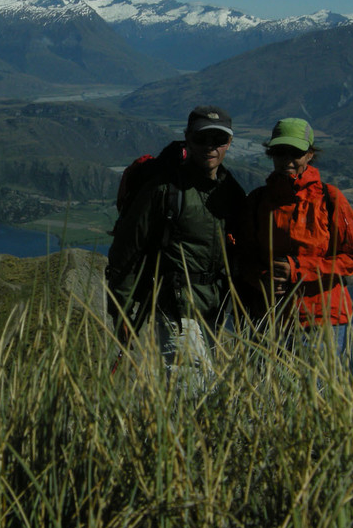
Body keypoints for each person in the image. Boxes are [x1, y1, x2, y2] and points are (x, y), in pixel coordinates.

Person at [106, 105, 247, 385]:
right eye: (201, 138)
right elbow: (127, 252)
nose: (210, 147)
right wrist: (121, 309)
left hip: (214, 309)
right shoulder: (164, 190)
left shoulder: (230, 191)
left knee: (201, 387)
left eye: (218, 140)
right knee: (190, 387)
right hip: (176, 307)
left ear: (229, 143)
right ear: (187, 138)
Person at [240, 117, 353, 354]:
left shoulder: (330, 198)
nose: (287, 159)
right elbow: (244, 257)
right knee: (268, 389)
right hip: (269, 317)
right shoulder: (257, 201)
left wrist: (298, 269)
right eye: (279, 151)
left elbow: (352, 258)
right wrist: (262, 278)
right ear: (271, 153)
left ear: (309, 155)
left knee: (313, 390)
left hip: (320, 319)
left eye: (295, 152)